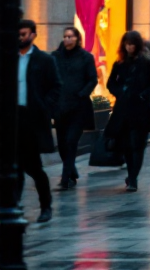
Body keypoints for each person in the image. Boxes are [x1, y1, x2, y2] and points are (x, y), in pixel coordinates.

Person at [105, 30, 150, 192]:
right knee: (127, 146)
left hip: (140, 110)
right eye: (127, 44)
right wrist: (120, 93)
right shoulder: (120, 63)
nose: (129, 47)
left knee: (138, 145)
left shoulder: (148, 63)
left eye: (132, 44)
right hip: (123, 110)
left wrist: (144, 95)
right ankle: (131, 175)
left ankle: (133, 178)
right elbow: (111, 83)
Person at [16, 20, 59, 222]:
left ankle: (45, 206)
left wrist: (45, 106)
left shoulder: (44, 60)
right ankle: (13, 204)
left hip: (32, 119)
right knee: (11, 166)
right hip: (11, 119)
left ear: (33, 35)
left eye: (24, 34)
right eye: (18, 34)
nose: (20, 37)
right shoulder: (8, 58)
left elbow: (56, 86)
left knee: (33, 167)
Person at [51, 26, 96, 189]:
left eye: (71, 36)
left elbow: (93, 79)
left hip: (78, 107)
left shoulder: (86, 57)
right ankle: (72, 170)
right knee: (62, 144)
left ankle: (65, 179)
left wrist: (82, 93)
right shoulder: (55, 57)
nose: (67, 39)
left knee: (71, 142)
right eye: (65, 36)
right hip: (60, 107)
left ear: (77, 39)